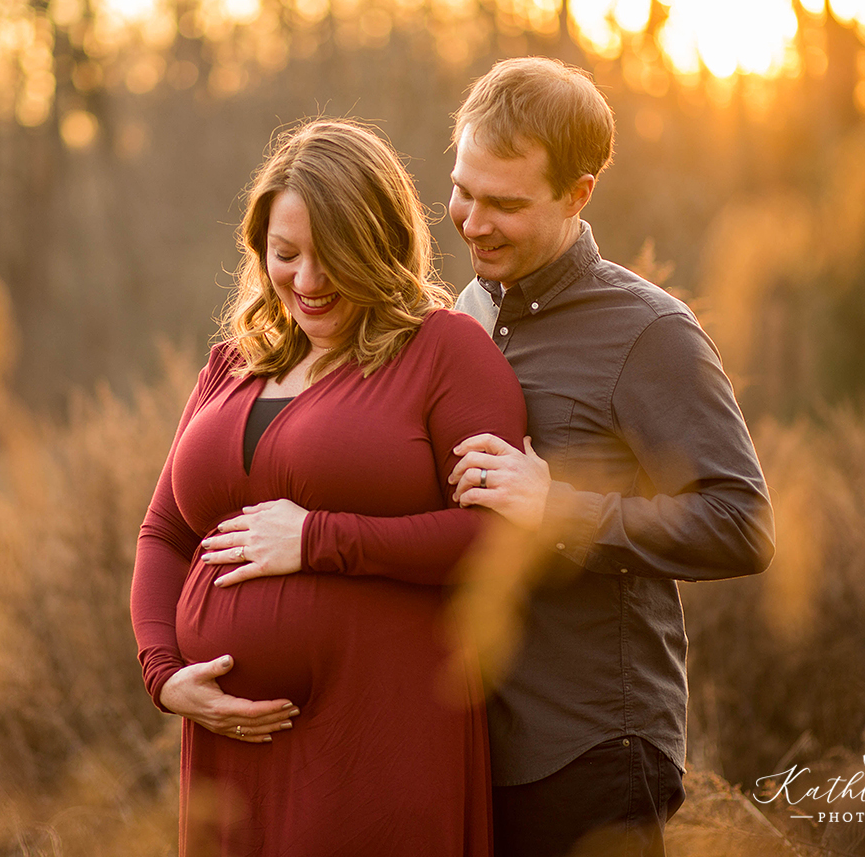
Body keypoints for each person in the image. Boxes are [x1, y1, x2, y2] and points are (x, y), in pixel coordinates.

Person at [200, 58, 776, 857]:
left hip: (588, 749)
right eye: (464, 191)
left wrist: (559, 507)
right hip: (456, 747)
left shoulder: (649, 333)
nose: (471, 222)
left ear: (578, 195)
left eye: (505, 204)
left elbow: (742, 524)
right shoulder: (457, 318)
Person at [129, 118, 528, 856]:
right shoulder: (230, 365)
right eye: (286, 255)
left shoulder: (443, 352)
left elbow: (497, 540)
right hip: (230, 754)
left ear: (379, 248)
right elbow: (165, 533)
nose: (307, 282)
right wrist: (165, 674)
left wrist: (320, 539)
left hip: (377, 743)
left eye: (332, 257)